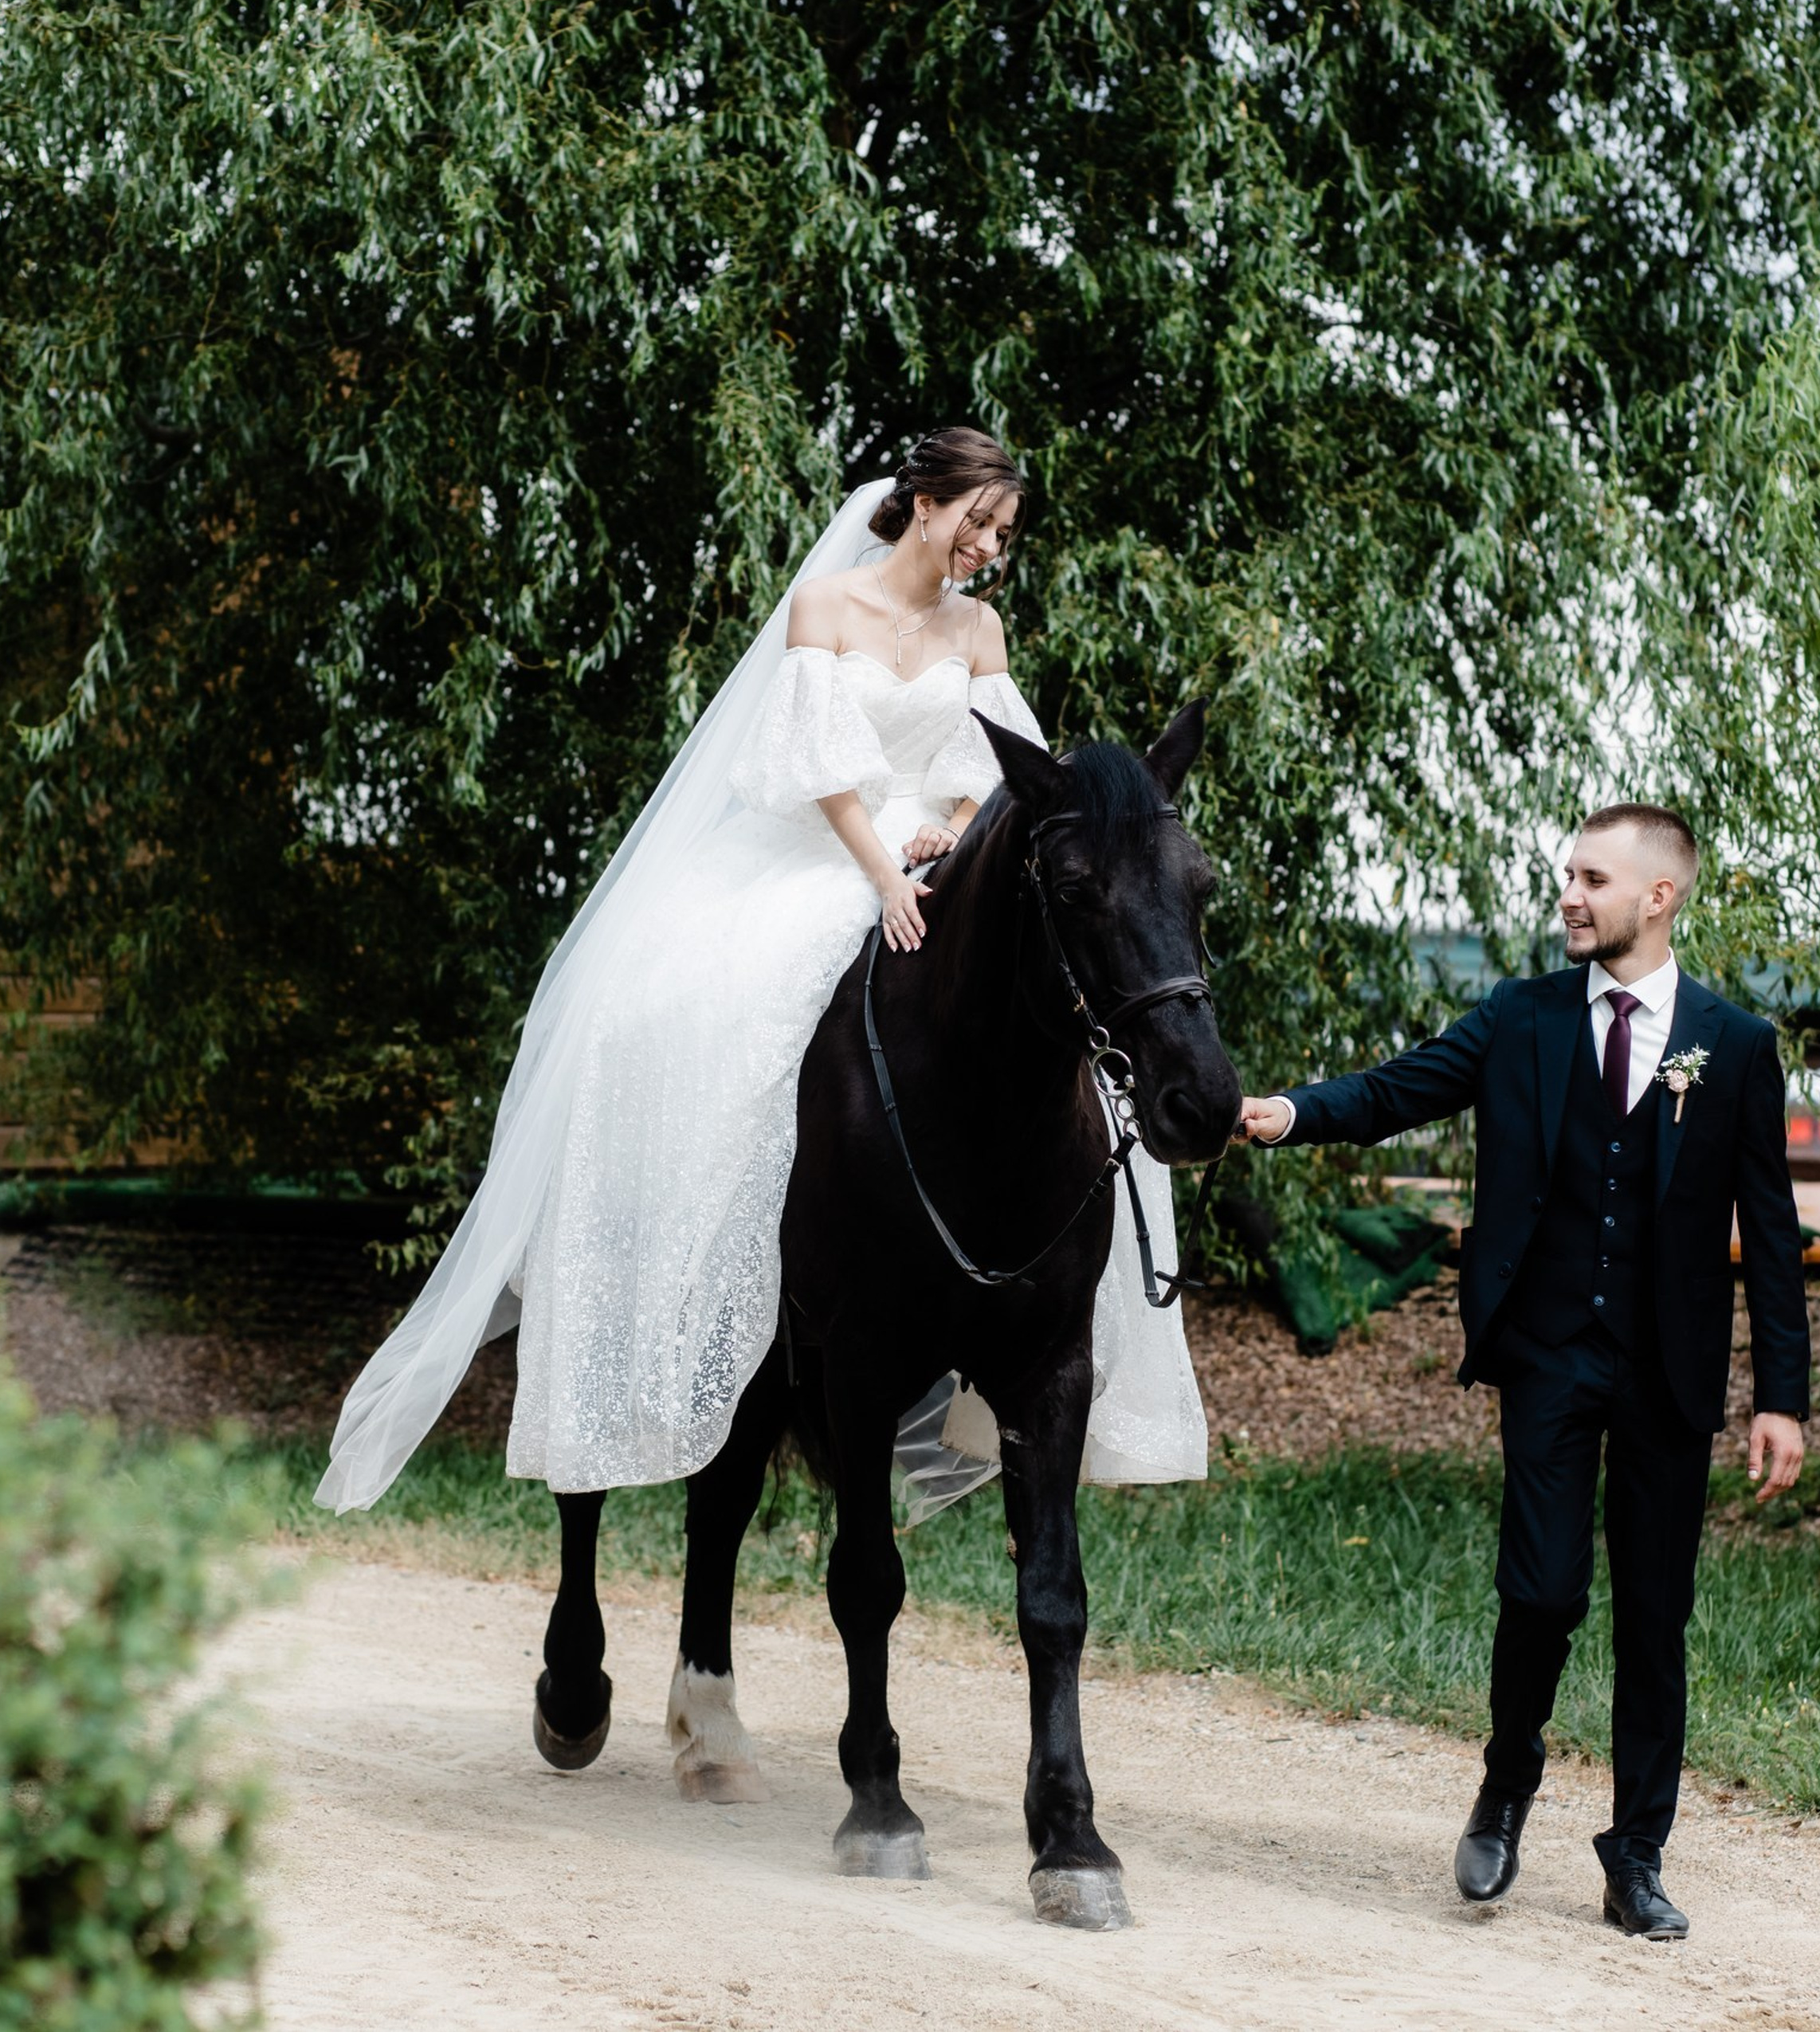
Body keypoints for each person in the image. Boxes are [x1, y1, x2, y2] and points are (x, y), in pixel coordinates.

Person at [318, 429, 1206, 1516]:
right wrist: (881, 875)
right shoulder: (826, 607)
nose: (988, 547)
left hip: (936, 848)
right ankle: (710, 1254)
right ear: (926, 503)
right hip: (828, 849)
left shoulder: (980, 627)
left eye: (1005, 533)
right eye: (978, 521)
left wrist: (955, 825)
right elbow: (818, 767)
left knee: (1057, 1023)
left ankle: (1044, 1302)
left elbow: (994, 765)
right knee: (711, 1009)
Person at [1238, 804, 1810, 1940]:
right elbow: (1399, 1090)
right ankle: (1507, 1780)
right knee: (1540, 1591)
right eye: (1568, 876)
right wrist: (1288, 1113)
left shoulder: (1735, 1044)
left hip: (1669, 1370)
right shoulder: (1523, 1015)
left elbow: (1774, 1229)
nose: (1569, 896)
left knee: (1656, 1617)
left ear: (1658, 897)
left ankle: (1636, 1856)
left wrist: (1782, 1397)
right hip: (1548, 1352)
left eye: (1592, 879)